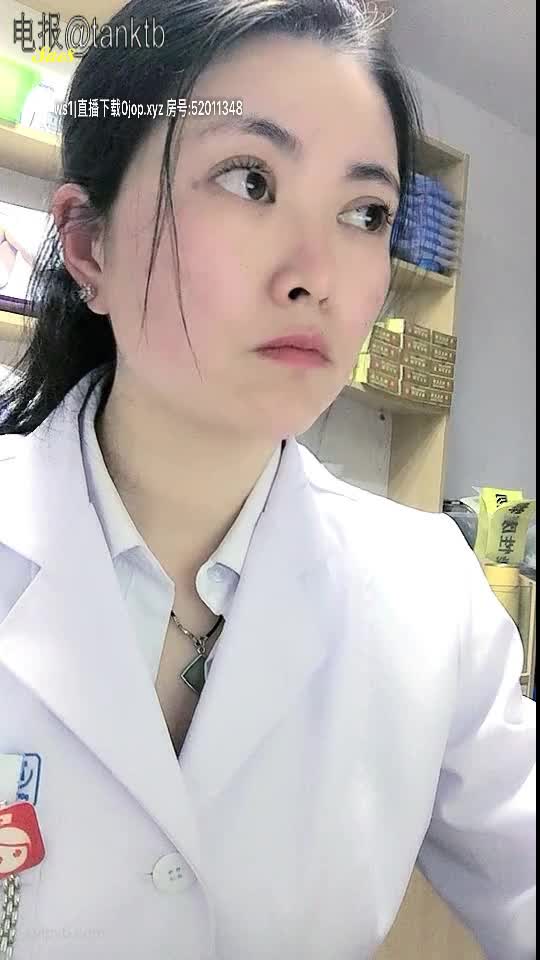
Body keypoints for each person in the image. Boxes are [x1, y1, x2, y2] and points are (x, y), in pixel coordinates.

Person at [0, 1, 535, 958]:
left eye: (365, 214)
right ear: (88, 244)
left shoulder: (428, 595)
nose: (316, 275)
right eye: (250, 180)